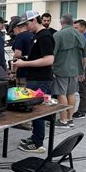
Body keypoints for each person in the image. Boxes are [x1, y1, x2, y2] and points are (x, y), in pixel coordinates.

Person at [13, 11, 55, 153]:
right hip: (35, 78)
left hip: (40, 80)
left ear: (34, 21)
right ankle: (35, 136)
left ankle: (38, 143)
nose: (26, 27)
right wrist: (24, 60)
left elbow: (49, 59)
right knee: (33, 110)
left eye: (27, 24)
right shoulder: (37, 36)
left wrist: (25, 64)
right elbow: (38, 57)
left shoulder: (44, 37)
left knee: (37, 111)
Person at [52, 14, 86, 128]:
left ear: (61, 22)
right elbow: (85, 57)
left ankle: (63, 120)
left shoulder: (57, 35)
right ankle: (70, 119)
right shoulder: (81, 35)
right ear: (72, 23)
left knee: (61, 94)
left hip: (60, 69)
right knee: (71, 94)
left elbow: (52, 54)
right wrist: (82, 71)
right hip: (75, 70)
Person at [10, 16, 34, 86]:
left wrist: (13, 72)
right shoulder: (34, 35)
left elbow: (17, 54)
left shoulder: (20, 36)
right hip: (34, 72)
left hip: (23, 72)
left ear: (16, 28)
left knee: (22, 95)